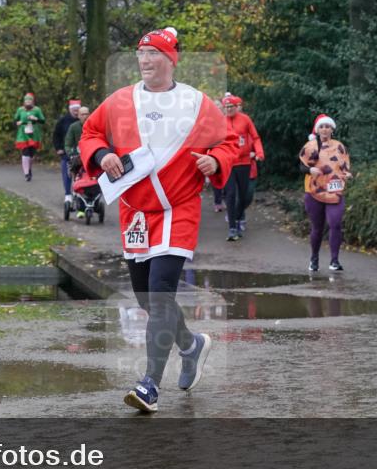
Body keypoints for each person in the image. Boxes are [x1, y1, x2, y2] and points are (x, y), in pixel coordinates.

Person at [79, 26, 239, 414]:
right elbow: (90, 132)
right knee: (145, 296)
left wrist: (215, 160)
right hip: (135, 211)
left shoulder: (197, 103)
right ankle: (191, 345)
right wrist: (102, 155)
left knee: (160, 291)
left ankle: (149, 383)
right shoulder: (120, 101)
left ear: (171, 60)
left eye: (153, 54)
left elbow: (229, 141)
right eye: (141, 54)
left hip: (178, 207)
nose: (145, 61)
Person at [298, 114, 353, 271]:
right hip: (313, 190)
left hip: (334, 190)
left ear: (332, 129)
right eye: (321, 127)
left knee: (335, 223)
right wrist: (310, 169)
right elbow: (301, 167)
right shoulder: (310, 146)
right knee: (317, 227)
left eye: (327, 126)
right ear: (317, 130)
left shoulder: (339, 146)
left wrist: (347, 174)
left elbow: (344, 166)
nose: (324, 129)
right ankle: (314, 257)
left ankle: (334, 260)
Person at [222, 94, 263, 240]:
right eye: (226, 107)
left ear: (236, 107)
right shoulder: (220, 122)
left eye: (231, 107)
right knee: (231, 195)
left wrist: (259, 152)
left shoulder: (245, 119)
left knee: (245, 195)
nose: (228, 109)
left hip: (244, 163)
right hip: (228, 163)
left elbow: (255, 137)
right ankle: (232, 227)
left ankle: (238, 219)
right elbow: (214, 141)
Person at [53, 100, 82, 205]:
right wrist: (58, 148)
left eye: (77, 110)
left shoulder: (82, 121)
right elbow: (56, 135)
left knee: (80, 173)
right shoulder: (63, 121)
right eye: (74, 110)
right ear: (70, 109)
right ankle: (67, 194)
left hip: (80, 152)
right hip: (66, 152)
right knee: (67, 174)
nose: (76, 112)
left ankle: (79, 192)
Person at [64, 106, 91, 218]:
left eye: (87, 114)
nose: (85, 116)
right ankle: (78, 200)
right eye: (82, 114)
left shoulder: (94, 126)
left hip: (91, 158)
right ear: (78, 116)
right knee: (76, 174)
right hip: (77, 159)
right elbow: (68, 144)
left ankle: (91, 200)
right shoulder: (74, 127)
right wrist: (71, 152)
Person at [13, 93, 45, 181]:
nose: (28, 102)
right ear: (24, 101)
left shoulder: (37, 110)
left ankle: (29, 169)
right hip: (23, 134)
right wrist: (18, 122)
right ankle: (26, 173)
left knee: (31, 154)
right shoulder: (20, 110)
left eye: (30, 100)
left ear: (33, 101)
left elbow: (43, 120)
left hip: (34, 133)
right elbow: (15, 119)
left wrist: (36, 119)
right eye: (26, 100)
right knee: (25, 151)